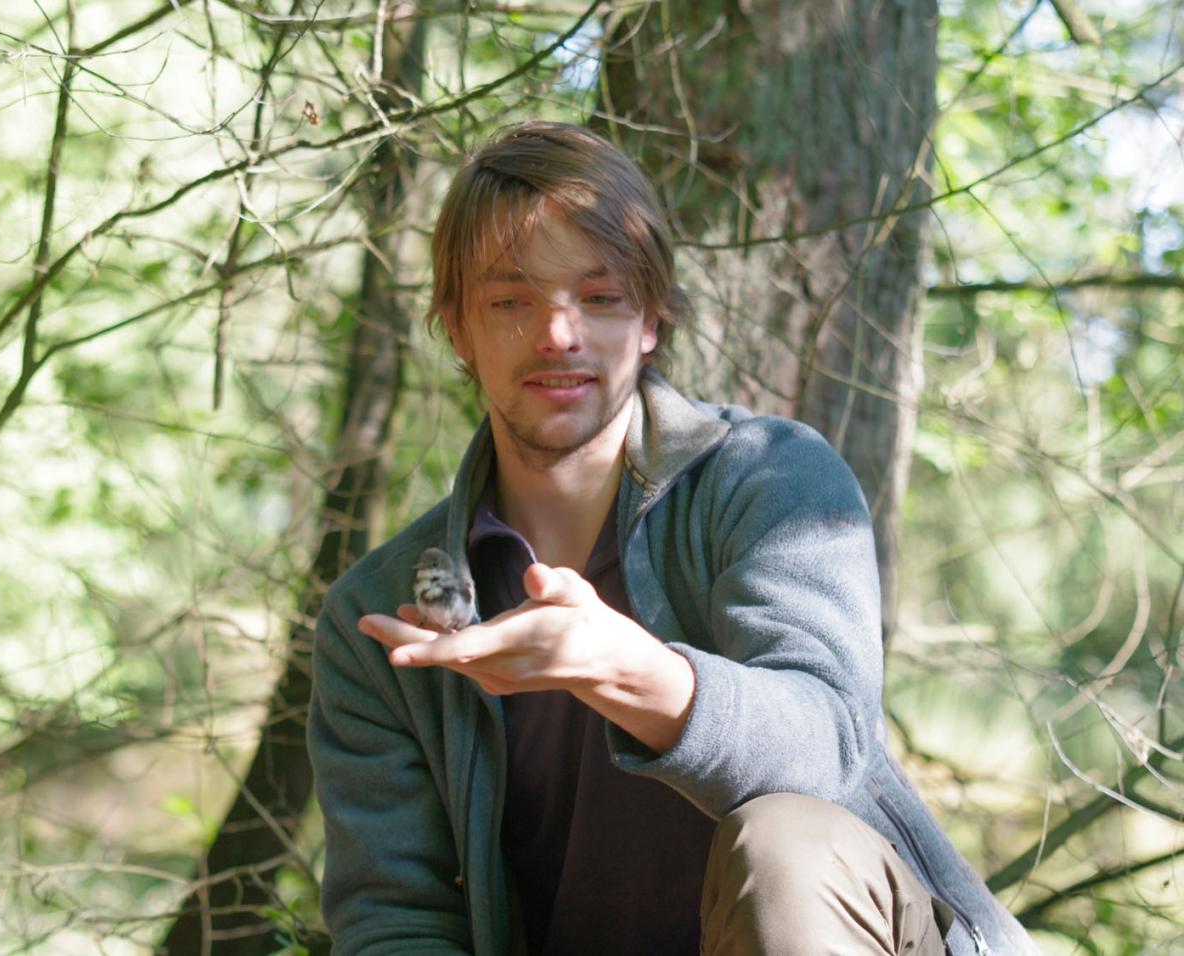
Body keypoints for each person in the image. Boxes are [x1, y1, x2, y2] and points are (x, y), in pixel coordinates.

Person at [306, 122, 1037, 955]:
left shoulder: (771, 480)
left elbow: (829, 746)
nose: (558, 335)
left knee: (788, 846)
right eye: (511, 300)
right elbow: (395, 921)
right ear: (457, 327)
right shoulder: (382, 614)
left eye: (601, 297)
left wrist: (621, 667)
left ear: (650, 319)